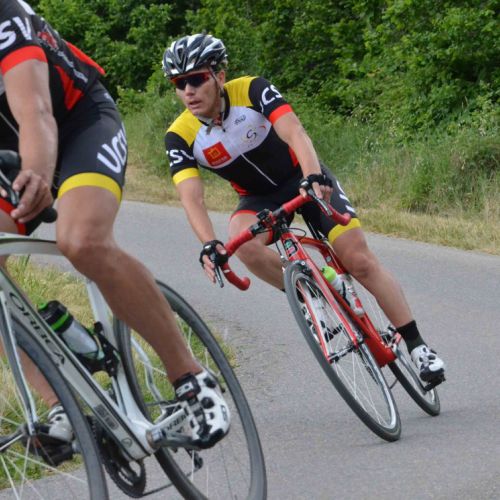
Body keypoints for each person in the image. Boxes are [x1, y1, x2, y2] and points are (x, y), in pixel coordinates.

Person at [0, 1, 229, 449]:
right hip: (11, 150)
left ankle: (192, 379)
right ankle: (61, 407)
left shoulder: (5, 15)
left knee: (81, 240)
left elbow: (37, 113)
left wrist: (40, 174)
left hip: (78, 124)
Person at [163, 33, 446, 385]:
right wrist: (209, 243)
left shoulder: (251, 89)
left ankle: (418, 347)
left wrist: (312, 177)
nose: (188, 91)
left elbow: (295, 132)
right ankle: (314, 295)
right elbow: (192, 197)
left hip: (303, 177)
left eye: (196, 79)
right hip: (259, 199)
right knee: (242, 243)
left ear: (219, 76)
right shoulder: (180, 136)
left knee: (358, 260)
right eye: (179, 83)